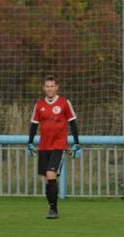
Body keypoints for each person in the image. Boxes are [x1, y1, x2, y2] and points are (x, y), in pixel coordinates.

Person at [27, 75, 81, 219]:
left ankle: (53, 210)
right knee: (48, 179)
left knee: (51, 174)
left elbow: (73, 123)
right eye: (47, 86)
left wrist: (77, 143)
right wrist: (30, 143)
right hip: (44, 147)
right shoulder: (39, 105)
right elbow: (34, 124)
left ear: (57, 87)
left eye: (52, 86)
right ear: (44, 88)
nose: (50, 88)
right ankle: (52, 207)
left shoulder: (64, 103)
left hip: (58, 146)